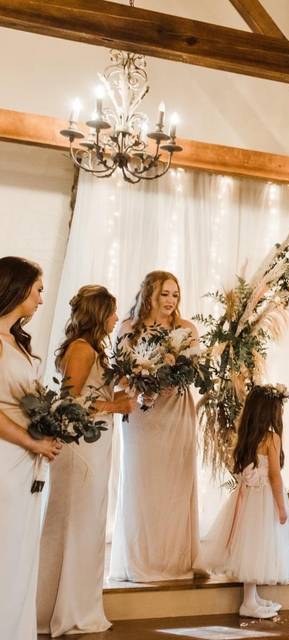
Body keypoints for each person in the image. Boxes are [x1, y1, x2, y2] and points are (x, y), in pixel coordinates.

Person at [36, 286, 135, 636]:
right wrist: (114, 406)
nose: (114, 318)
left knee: (87, 525)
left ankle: (74, 603)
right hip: (80, 449)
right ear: (98, 315)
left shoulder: (93, 350)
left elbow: (92, 393)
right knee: (76, 524)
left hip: (95, 444)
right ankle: (66, 610)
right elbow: (67, 403)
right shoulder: (80, 350)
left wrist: (118, 395)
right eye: (111, 312)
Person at [110, 271, 202, 582]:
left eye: (175, 294)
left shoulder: (187, 329)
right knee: (143, 482)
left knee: (176, 481)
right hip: (140, 414)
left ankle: (173, 561)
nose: (171, 300)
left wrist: (172, 376)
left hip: (176, 409)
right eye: (165, 294)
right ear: (150, 294)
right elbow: (119, 377)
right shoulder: (127, 329)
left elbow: (193, 373)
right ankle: (142, 560)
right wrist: (142, 379)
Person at [197, 384, 289, 619]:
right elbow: (275, 476)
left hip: (246, 498)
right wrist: (282, 508)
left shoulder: (246, 438)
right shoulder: (271, 438)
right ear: (269, 412)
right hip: (263, 499)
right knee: (258, 547)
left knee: (251, 546)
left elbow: (239, 475)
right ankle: (247, 603)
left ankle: (252, 597)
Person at [0, 257, 61, 640]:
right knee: (6, 549)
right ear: (19, 289)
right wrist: (29, 440)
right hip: (6, 457)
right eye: (38, 290)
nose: (41, 300)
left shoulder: (16, 341)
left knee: (22, 551)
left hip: (27, 460)